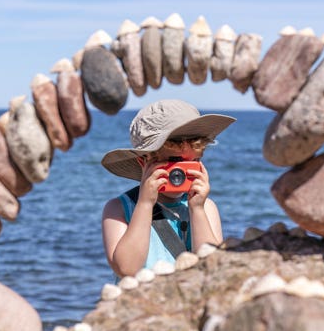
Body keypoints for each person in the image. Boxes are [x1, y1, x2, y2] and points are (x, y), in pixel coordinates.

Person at [101, 99, 236, 277]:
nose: (183, 171)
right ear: (144, 161)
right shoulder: (118, 209)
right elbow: (126, 268)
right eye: (175, 162)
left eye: (193, 162)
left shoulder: (206, 208)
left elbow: (212, 267)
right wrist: (145, 204)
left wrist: (197, 209)